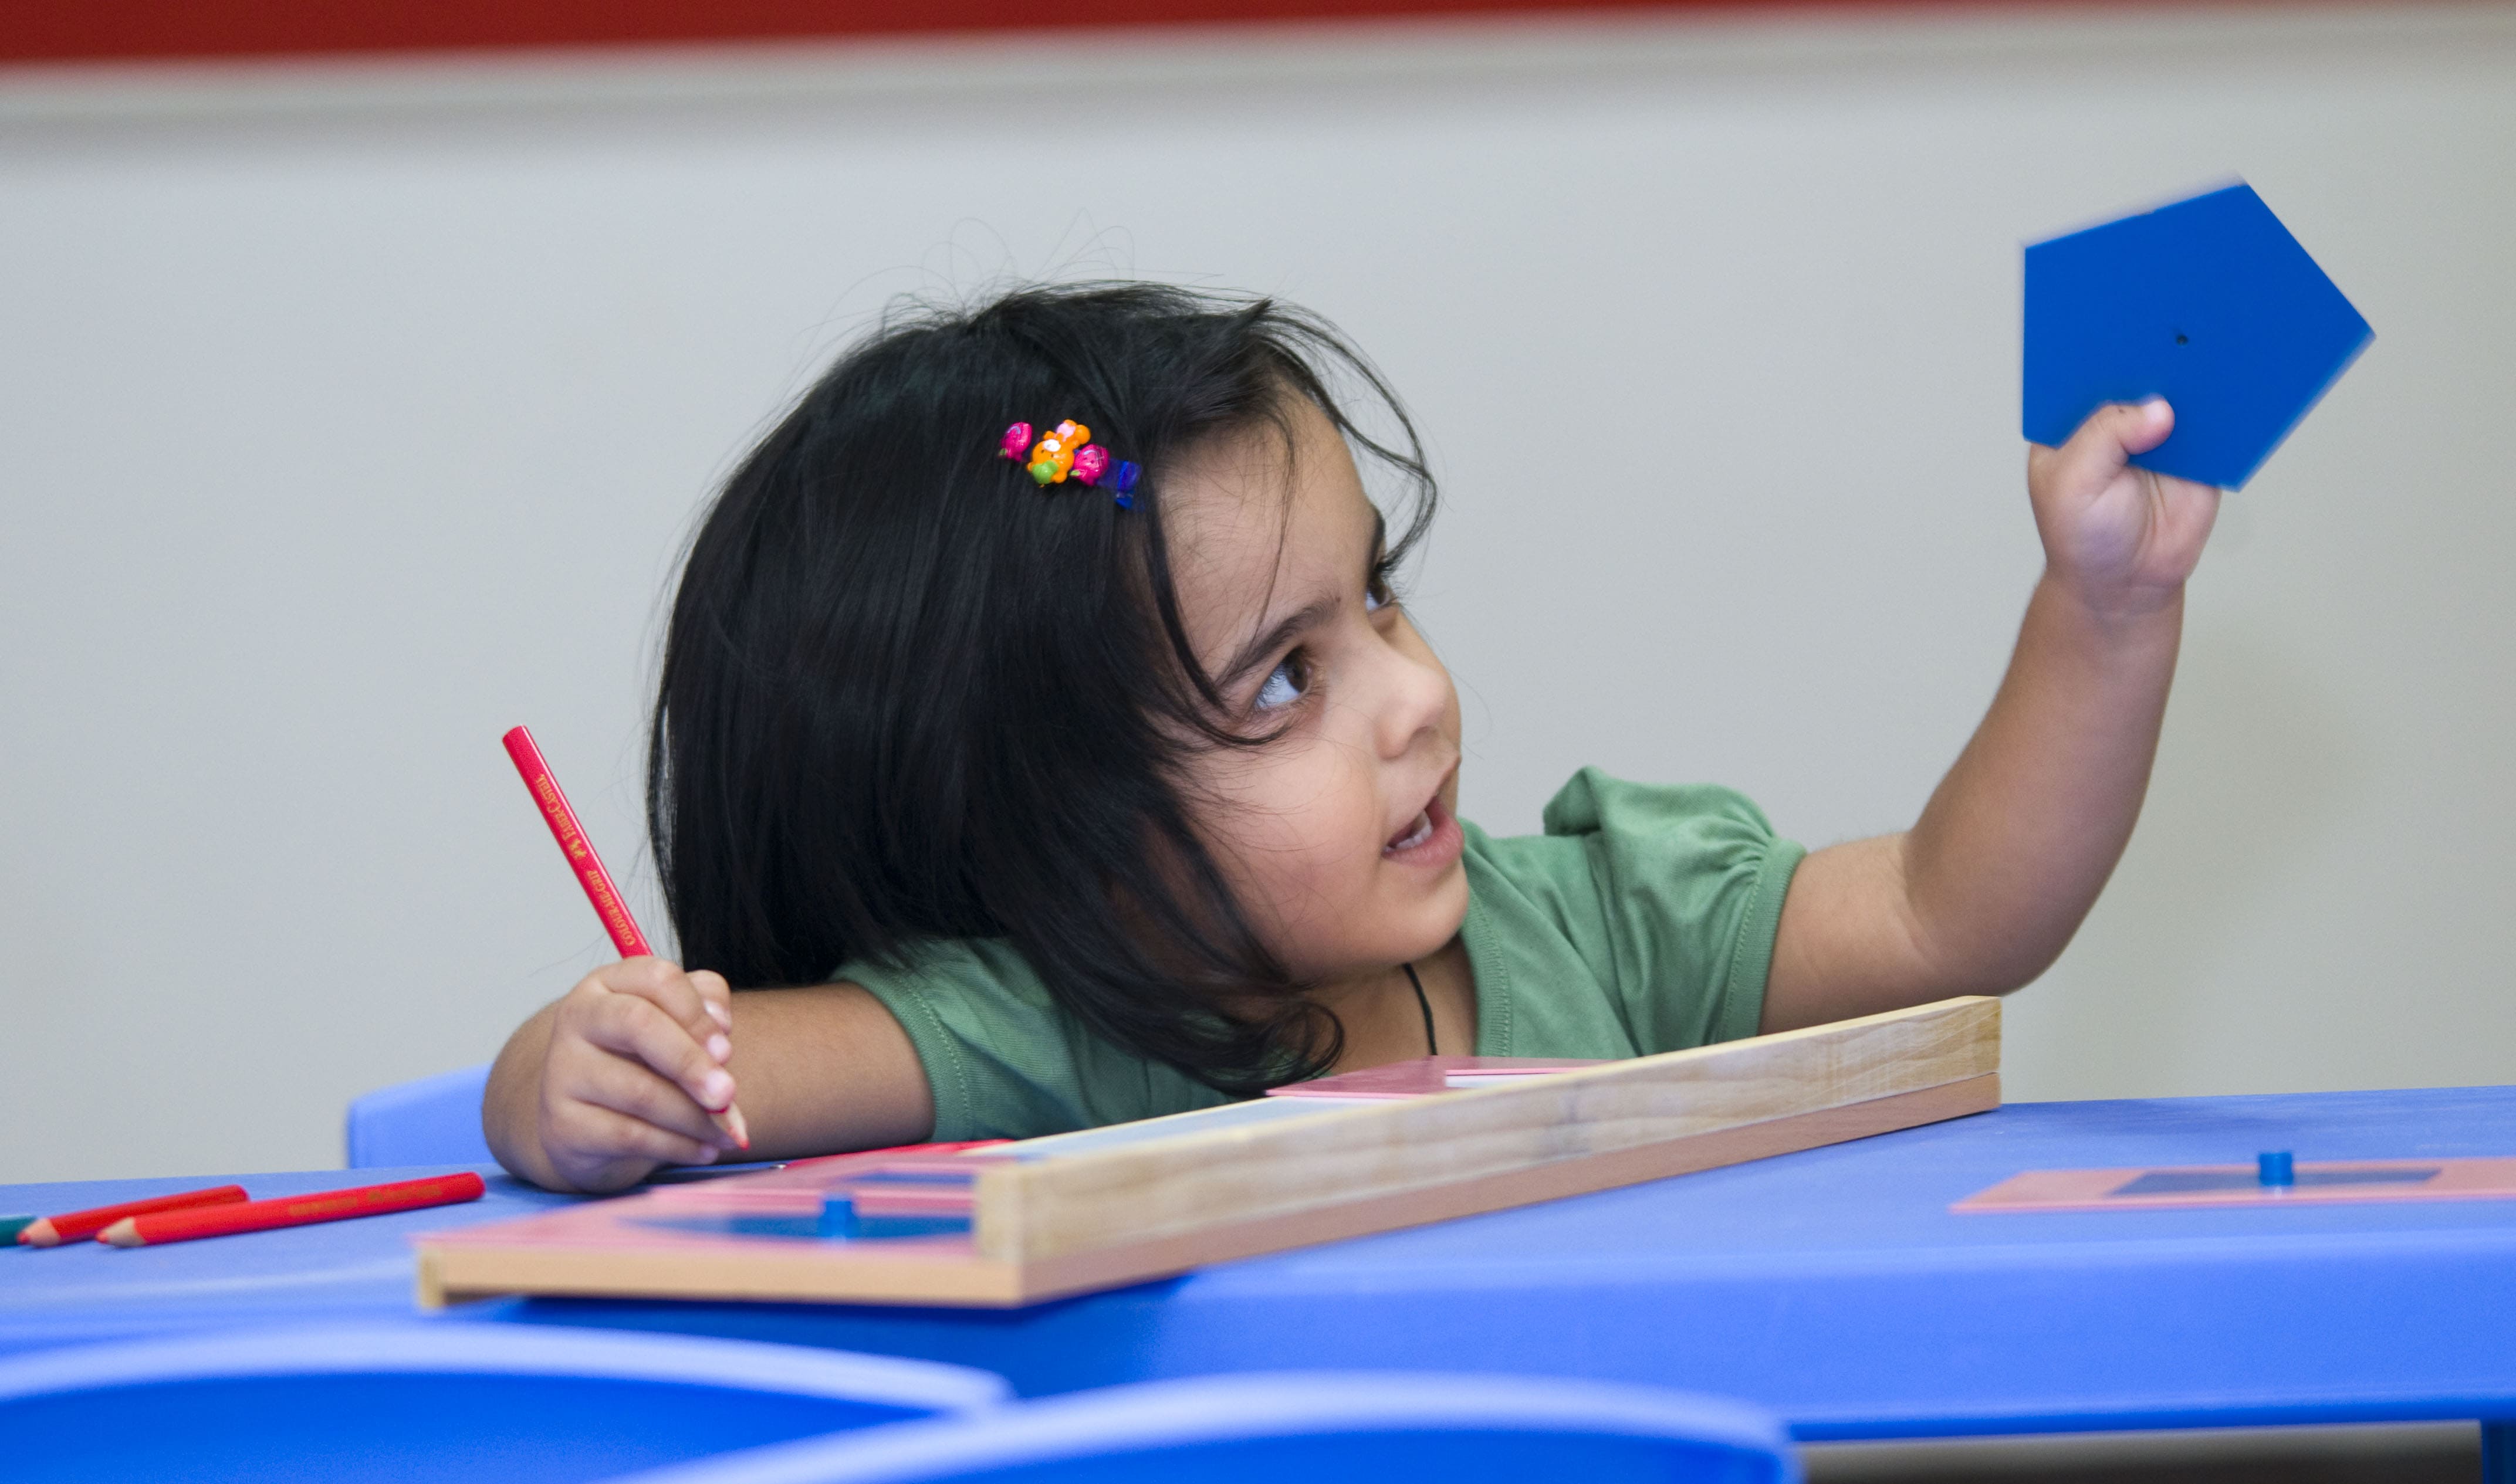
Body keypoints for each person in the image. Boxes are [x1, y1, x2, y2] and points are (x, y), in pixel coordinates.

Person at [483, 283, 2216, 1194]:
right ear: (1064, 850)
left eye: (1376, 599)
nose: (1416, 696)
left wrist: (2107, 615)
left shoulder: (1608, 928)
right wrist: (571, 1080)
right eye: (1286, 680)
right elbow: (712, 1083)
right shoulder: (1056, 1040)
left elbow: (1949, 918)